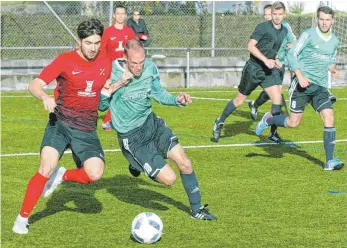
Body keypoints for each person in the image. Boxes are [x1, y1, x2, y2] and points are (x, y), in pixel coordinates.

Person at [12, 19, 112, 234]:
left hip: (86, 127)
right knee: (46, 166)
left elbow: (101, 89)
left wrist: (111, 93)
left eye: (96, 43)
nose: (93, 48)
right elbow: (34, 84)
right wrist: (45, 97)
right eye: (88, 43)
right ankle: (22, 218)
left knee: (94, 173)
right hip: (61, 122)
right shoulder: (65, 60)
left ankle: (63, 175)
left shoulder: (106, 61)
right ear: (79, 42)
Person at [99, 40, 217, 220]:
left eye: (141, 62)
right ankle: (136, 162)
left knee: (185, 163)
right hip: (132, 137)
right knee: (169, 180)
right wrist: (119, 83)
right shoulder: (112, 72)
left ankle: (197, 209)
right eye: (134, 63)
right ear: (124, 58)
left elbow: (159, 94)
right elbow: (101, 106)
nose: (138, 67)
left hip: (152, 124)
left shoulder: (150, 68)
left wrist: (177, 100)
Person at [255, 6, 344, 171]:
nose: (324, 23)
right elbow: (292, 54)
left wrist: (332, 69)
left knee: (329, 117)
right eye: (322, 19)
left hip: (320, 86)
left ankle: (329, 161)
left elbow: (330, 58)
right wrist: (300, 76)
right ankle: (269, 119)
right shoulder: (308, 35)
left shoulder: (335, 40)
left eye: (328, 20)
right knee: (293, 123)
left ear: (333, 21)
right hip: (301, 85)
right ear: (317, 19)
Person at [212, 2, 288, 142]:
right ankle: (219, 121)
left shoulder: (284, 31)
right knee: (239, 100)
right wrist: (265, 60)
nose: (277, 17)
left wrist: (276, 59)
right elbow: (250, 46)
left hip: (267, 71)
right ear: (271, 14)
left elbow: (273, 49)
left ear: (284, 14)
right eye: (274, 14)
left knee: (277, 98)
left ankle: (273, 133)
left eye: (280, 14)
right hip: (253, 69)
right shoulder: (262, 27)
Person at [247, 3, 297, 143]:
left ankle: (255, 105)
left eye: (272, 14)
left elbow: (293, 41)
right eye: (267, 15)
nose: (270, 18)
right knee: (277, 98)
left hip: (279, 65)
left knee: (276, 96)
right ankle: (272, 131)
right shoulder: (266, 28)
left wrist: (289, 48)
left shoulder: (285, 27)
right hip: (269, 64)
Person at [100, 5, 136, 131]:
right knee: (111, 92)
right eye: (118, 13)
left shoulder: (129, 32)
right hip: (111, 68)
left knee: (123, 93)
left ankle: (110, 120)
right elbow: (102, 51)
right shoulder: (107, 31)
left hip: (125, 68)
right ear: (114, 15)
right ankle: (106, 120)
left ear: (126, 16)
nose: (120, 16)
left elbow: (133, 49)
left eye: (123, 14)